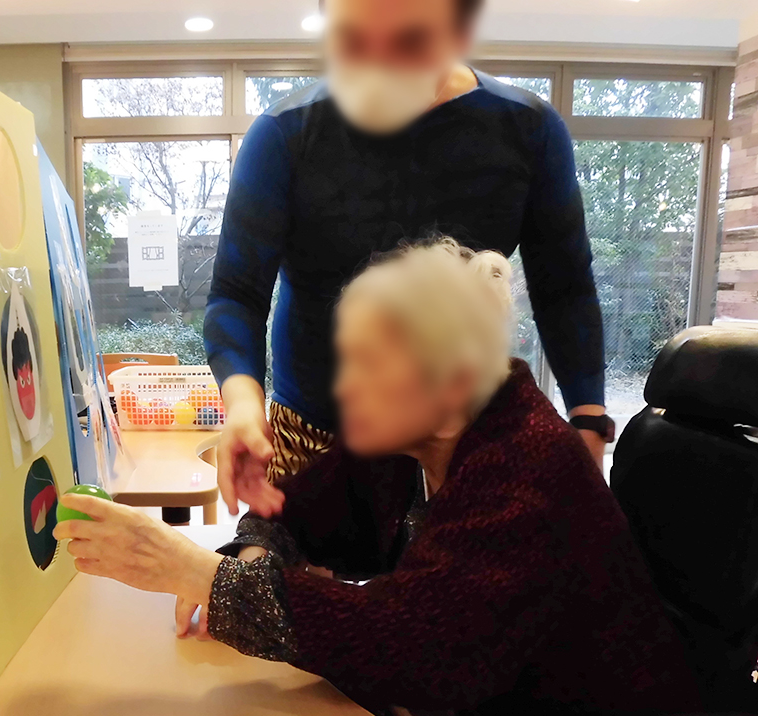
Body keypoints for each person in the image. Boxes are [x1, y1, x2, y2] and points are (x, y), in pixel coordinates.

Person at [54, 241, 700, 714]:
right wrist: (254, 557)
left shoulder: (528, 471)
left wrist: (197, 572)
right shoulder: (409, 438)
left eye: (369, 364)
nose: (345, 386)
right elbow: (291, 510)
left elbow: (414, 649)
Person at [203, 0, 614, 518]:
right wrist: (243, 405)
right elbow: (237, 295)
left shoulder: (527, 130)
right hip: (314, 432)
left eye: (409, 41)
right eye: (355, 43)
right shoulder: (286, 133)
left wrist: (587, 417)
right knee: (279, 563)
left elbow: (565, 288)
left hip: (461, 440)